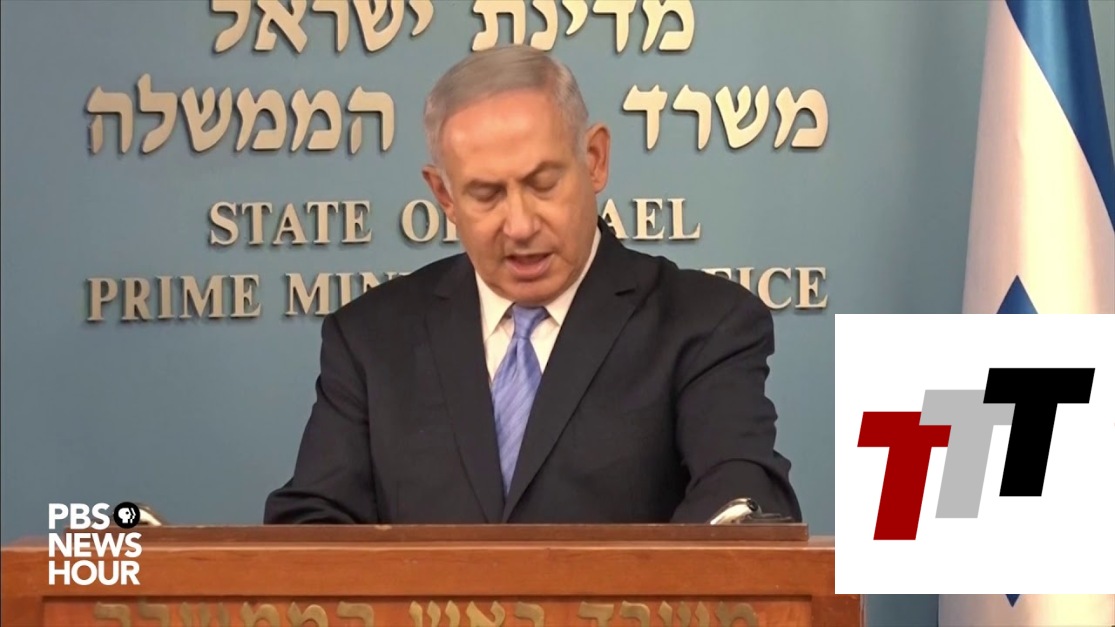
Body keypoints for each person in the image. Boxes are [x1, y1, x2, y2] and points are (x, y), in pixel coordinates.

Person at [263, 45, 801, 525]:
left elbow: (739, 491)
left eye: (542, 184)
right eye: (486, 195)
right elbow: (313, 522)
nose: (519, 225)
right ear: (444, 196)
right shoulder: (370, 339)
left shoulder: (703, 324)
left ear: (595, 160)